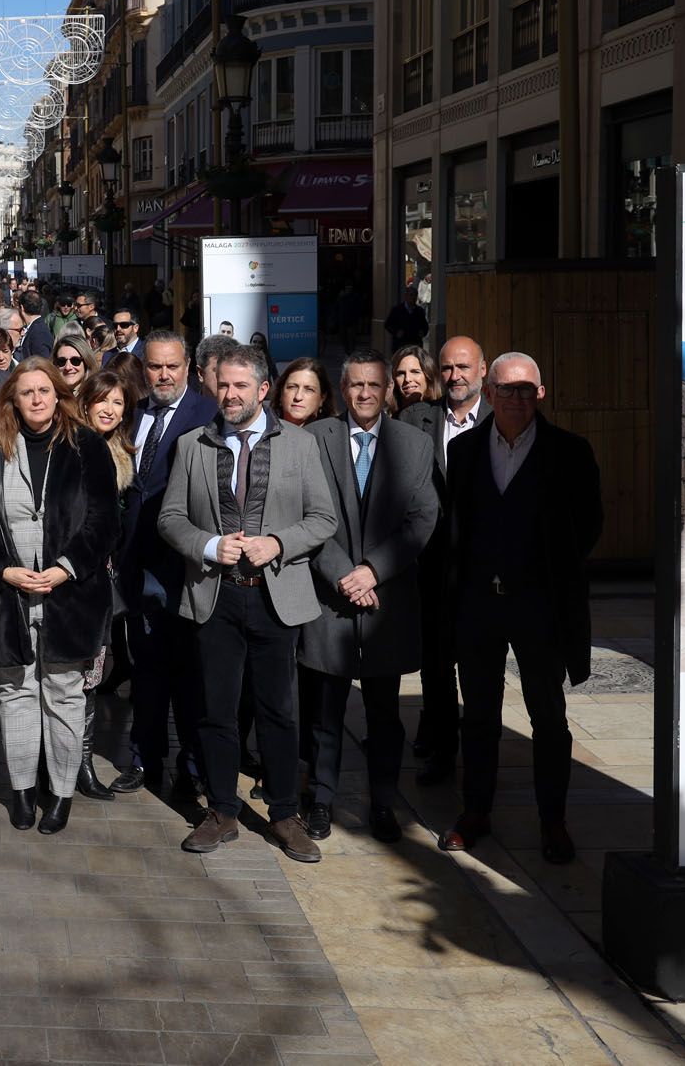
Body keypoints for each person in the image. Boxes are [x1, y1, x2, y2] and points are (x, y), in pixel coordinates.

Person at [158, 345, 338, 860]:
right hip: (214, 597)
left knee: (279, 712)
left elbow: (323, 519)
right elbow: (170, 519)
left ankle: (284, 816)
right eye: (223, 385)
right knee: (216, 712)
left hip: (274, 599)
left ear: (264, 390)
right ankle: (222, 812)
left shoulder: (301, 446)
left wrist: (278, 543)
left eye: (241, 386)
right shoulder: (194, 444)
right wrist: (211, 546)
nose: (230, 395)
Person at [438, 353, 602, 865]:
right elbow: (456, 527)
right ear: (489, 393)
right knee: (480, 717)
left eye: (525, 389)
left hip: (540, 610)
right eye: (506, 389)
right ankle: (476, 813)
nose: (515, 398)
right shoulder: (463, 451)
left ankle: (552, 819)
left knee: (548, 717)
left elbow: (589, 525)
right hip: (479, 607)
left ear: (541, 394)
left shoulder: (571, 452)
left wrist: (547, 575)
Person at [0, 359, 118, 835]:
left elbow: (102, 522)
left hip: (70, 595)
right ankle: (21, 792)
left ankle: (60, 793)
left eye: (45, 391)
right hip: (8, 598)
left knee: (63, 695)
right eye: (26, 391)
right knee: (15, 693)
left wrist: (63, 569)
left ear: (60, 396)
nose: (37, 399)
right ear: (12, 399)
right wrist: (3, 570)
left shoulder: (87, 447)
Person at [303, 352, 438, 845]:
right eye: (355, 385)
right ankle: (321, 801)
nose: (364, 394)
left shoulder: (415, 444)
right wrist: (345, 574)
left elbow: (422, 519)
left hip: (386, 603)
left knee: (384, 717)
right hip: (330, 600)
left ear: (388, 391)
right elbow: (307, 516)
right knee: (326, 715)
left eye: (373, 385)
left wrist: (372, 572)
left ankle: (383, 803)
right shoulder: (316, 440)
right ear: (341, 389)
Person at [118, 330, 217, 794]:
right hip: (139, 565)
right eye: (154, 366)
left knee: (192, 672)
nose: (162, 375)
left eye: (171, 366)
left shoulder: (209, 415)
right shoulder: (134, 413)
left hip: (188, 567)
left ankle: (193, 768)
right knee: (147, 669)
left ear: (188, 367)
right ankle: (145, 758)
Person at [399, 334, 489, 784]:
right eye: (449, 368)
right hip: (431, 566)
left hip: (485, 571)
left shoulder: (500, 420)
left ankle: (481, 757)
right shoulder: (416, 418)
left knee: (480, 670)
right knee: (436, 667)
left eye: (464, 367)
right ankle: (441, 752)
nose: (455, 376)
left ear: (482, 370)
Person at [77, 368, 137, 801]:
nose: (110, 409)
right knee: (65, 675)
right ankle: (59, 764)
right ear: (86, 401)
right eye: (103, 400)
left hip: (103, 582)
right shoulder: (74, 446)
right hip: (70, 578)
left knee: (90, 678)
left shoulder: (121, 450)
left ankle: (81, 764)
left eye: (118, 403)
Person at [272, 357, 335, 426]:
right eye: (292, 387)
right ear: (281, 393)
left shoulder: (335, 434)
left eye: (309, 390)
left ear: (322, 398)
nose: (298, 397)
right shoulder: (263, 429)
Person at [390, 344, 440, 413]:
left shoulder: (443, 416)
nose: (407, 379)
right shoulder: (385, 419)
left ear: (428, 376)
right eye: (401, 373)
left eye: (415, 372)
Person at [384, 284, 428, 351]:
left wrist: (423, 332)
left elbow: (425, 326)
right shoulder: (397, 310)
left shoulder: (419, 311)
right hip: (401, 344)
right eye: (411, 295)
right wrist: (396, 332)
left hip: (415, 343)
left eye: (415, 295)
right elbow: (388, 324)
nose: (413, 298)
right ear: (406, 296)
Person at [50, 337, 92, 401]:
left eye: (75, 361)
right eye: (62, 361)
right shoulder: (50, 398)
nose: (68, 367)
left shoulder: (96, 397)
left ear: (86, 363)